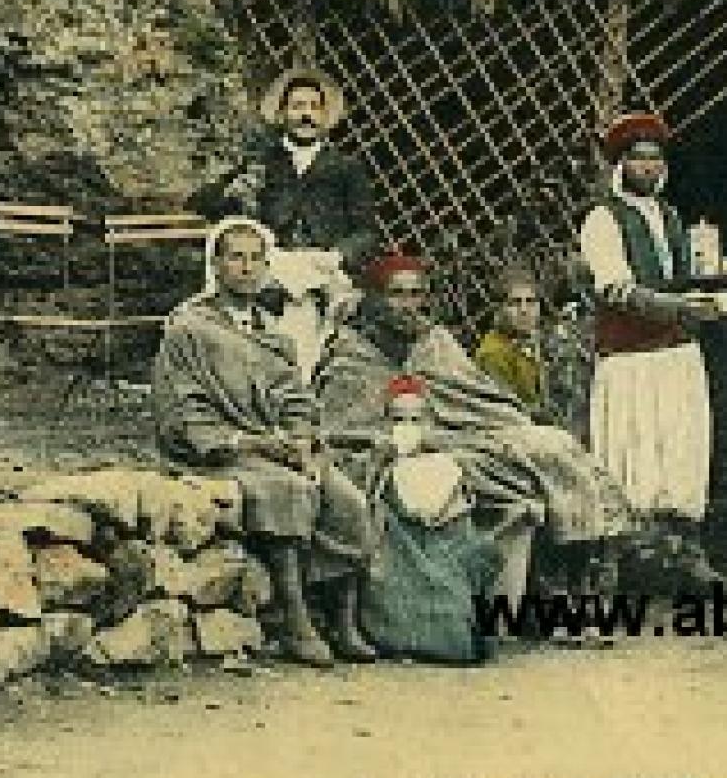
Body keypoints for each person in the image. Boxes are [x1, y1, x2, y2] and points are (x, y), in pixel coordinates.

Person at [316, 252, 631, 637]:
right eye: (397, 294)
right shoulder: (352, 354)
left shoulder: (436, 342)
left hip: (467, 434)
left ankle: (576, 588)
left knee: (553, 446)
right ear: (375, 299)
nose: (408, 304)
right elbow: (339, 424)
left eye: (416, 294)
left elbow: (479, 397)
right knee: (501, 465)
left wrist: (510, 424)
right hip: (395, 448)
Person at [149, 216, 378, 667]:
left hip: (278, 449)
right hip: (220, 451)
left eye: (257, 259)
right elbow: (181, 412)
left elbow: (296, 398)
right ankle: (296, 621)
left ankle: (345, 621)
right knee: (285, 490)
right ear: (216, 265)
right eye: (236, 258)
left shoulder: (273, 335)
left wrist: (301, 440)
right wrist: (248, 444)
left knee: (346, 497)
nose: (247, 268)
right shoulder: (188, 330)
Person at [575, 113, 721, 560]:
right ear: (620, 166)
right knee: (631, 454)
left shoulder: (672, 217)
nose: (648, 167)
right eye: (638, 158)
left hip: (676, 355)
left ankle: (679, 552)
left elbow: (689, 278)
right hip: (629, 357)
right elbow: (614, 287)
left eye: (655, 158)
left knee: (678, 452)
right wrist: (674, 308)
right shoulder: (602, 219)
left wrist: (723, 292)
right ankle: (624, 558)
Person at [187, 66, 381, 379]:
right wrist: (233, 188)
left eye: (314, 108)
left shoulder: (346, 167)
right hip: (272, 264)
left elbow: (367, 232)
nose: (306, 115)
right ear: (282, 114)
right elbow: (203, 205)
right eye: (297, 107)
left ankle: (299, 379)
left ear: (325, 116)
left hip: (323, 266)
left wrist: (337, 256)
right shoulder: (262, 162)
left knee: (315, 302)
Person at [349, 374, 503, 664]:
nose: (406, 428)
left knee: (453, 605)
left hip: (443, 549)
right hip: (397, 553)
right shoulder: (377, 464)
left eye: (415, 420)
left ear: (429, 423)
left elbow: (458, 518)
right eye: (398, 419)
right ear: (385, 423)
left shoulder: (446, 465)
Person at [473, 265, 556, 422]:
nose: (524, 310)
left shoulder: (528, 341)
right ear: (499, 309)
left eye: (530, 302)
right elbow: (510, 411)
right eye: (514, 303)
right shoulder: (494, 353)